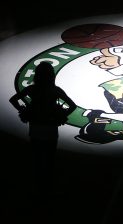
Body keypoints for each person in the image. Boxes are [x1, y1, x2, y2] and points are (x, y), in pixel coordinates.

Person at [9, 61, 77, 198]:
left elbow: (13, 100)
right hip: (51, 128)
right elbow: (72, 106)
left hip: (35, 127)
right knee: (50, 158)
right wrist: (61, 115)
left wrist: (25, 109)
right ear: (51, 75)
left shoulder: (32, 90)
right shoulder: (55, 90)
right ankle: (48, 187)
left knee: (37, 157)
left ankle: (37, 186)